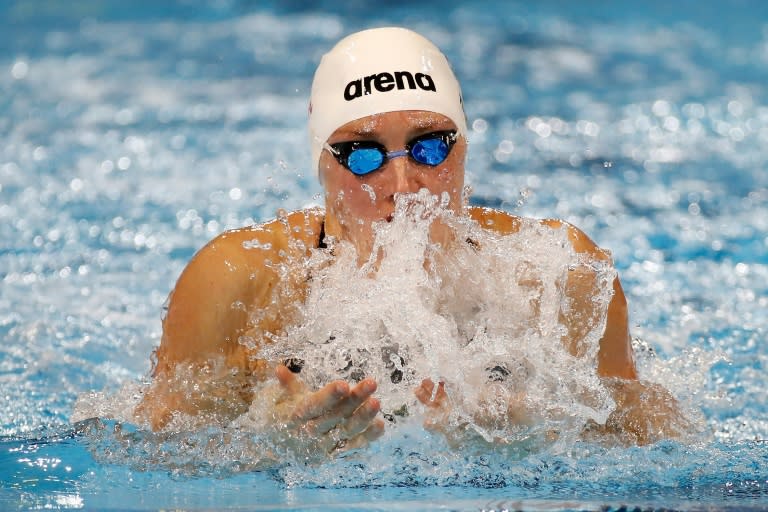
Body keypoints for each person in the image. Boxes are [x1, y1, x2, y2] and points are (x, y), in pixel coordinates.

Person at [135, 27, 688, 453]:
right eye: (364, 155)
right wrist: (267, 444)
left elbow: (654, 438)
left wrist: (543, 433)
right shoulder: (239, 282)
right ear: (322, 167)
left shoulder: (557, 275)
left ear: (464, 149)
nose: (402, 185)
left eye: (429, 147)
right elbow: (146, 455)